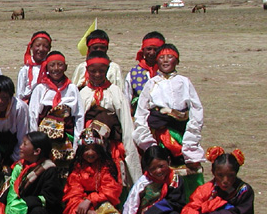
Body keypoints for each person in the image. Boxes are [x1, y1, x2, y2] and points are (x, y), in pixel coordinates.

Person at [133, 43, 204, 197]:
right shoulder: (151, 83)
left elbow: (196, 109)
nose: (165, 61)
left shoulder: (184, 82)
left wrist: (191, 138)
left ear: (177, 61)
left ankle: (191, 205)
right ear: (156, 62)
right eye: (161, 58)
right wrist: (146, 141)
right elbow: (141, 112)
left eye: (170, 57)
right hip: (158, 134)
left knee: (187, 167)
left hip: (181, 133)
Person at [79, 51, 142, 187]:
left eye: (101, 71)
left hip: (111, 146)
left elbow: (125, 122)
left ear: (107, 70)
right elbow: (78, 125)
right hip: (89, 147)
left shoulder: (115, 92)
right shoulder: (83, 93)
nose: (97, 75)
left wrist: (128, 148)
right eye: (93, 71)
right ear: (87, 70)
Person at [1, 132, 65, 214]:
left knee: (37, 213)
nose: (20, 147)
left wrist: (25, 203)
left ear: (37, 151)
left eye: (25, 144)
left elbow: (50, 198)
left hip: (43, 212)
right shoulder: (20, 167)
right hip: (22, 209)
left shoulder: (49, 170)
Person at [63, 128, 123, 214]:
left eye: (94, 149)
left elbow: (111, 190)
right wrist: (86, 209)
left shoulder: (106, 167)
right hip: (81, 207)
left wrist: (90, 201)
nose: (90, 153)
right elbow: (73, 193)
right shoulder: (77, 169)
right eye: (86, 149)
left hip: (101, 205)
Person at [28, 51, 84, 176]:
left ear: (66, 67)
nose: (56, 69)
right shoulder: (40, 88)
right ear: (46, 67)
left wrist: (77, 140)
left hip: (65, 137)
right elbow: (33, 115)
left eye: (60, 65)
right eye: (52, 65)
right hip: (44, 137)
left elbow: (78, 115)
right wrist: (35, 139)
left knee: (64, 171)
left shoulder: (72, 89)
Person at [124, 32, 165, 115]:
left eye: (156, 49)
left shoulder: (165, 72)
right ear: (143, 50)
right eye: (149, 49)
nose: (152, 53)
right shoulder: (134, 73)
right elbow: (126, 98)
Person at [16, 31, 52, 102]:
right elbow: (20, 94)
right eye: (38, 45)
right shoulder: (25, 70)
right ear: (31, 47)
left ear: (49, 48)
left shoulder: (51, 68)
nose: (41, 49)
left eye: (45, 46)